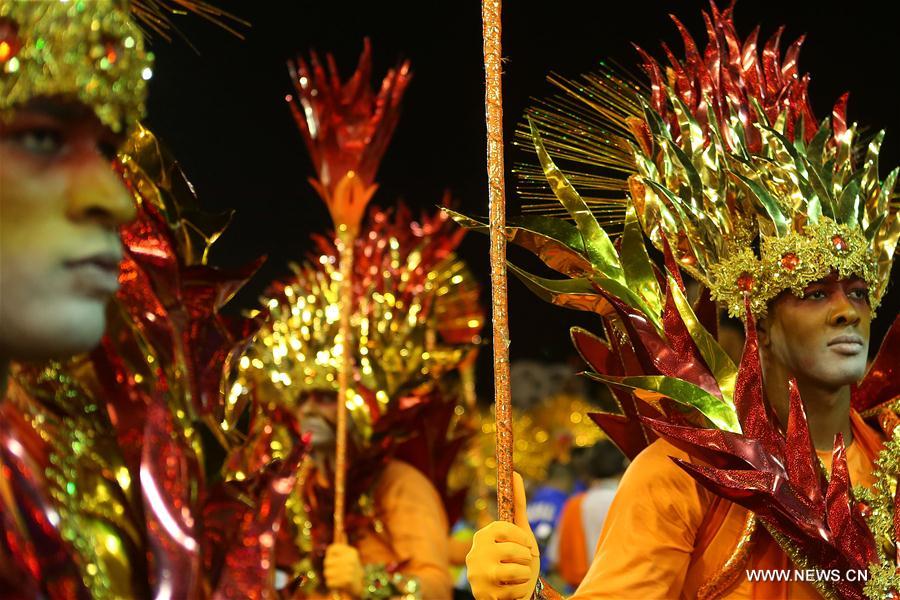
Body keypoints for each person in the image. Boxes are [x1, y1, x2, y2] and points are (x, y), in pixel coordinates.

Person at [464, 3, 899, 599]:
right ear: (760, 324)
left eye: (857, 291)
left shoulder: (893, 457)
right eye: (812, 292)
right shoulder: (681, 479)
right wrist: (524, 596)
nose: (848, 310)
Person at [237, 203, 484, 600]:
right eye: (304, 399)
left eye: (325, 399)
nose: (309, 411)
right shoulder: (299, 488)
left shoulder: (397, 484)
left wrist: (367, 585)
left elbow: (437, 585)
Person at [546, 441, 625, 589]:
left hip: (584, 590)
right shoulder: (630, 501)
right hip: (625, 590)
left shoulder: (574, 505)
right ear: (623, 468)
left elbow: (554, 558)